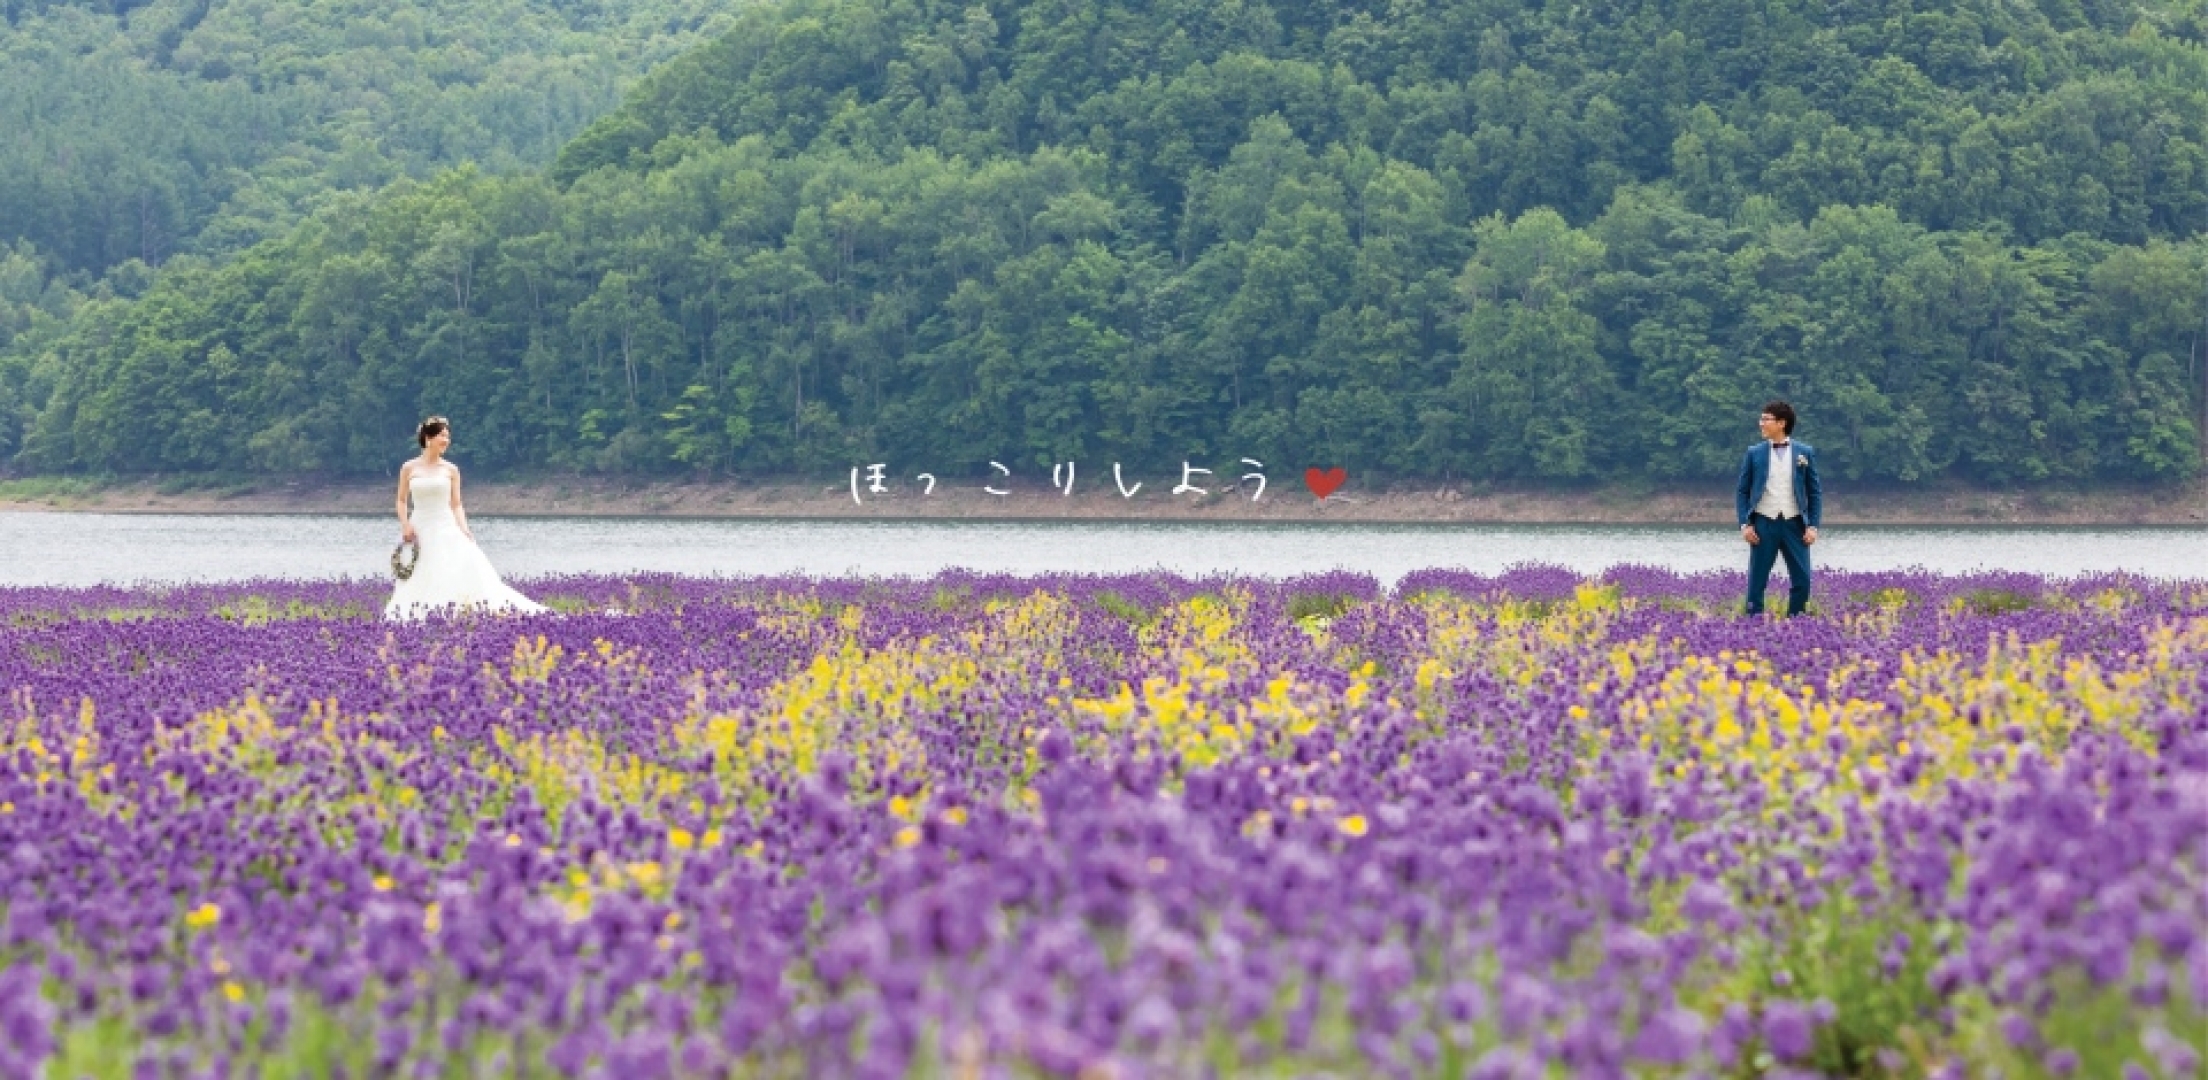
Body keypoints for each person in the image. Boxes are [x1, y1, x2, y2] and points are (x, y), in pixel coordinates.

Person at [385, 416, 547, 621]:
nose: (446, 440)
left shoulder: (451, 469)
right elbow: (401, 500)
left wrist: (463, 527)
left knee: (456, 568)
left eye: (448, 436)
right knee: (419, 573)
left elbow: (456, 504)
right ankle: (418, 615)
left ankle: (457, 613)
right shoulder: (409, 468)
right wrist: (405, 524)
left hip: (445, 525)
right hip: (419, 527)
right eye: (442, 435)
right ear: (428, 437)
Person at [1734, 400, 1822, 616]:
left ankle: (1796, 623)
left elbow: (1814, 492)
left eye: (1766, 419)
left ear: (1781, 423)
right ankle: (1753, 628)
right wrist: (1745, 524)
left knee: (1803, 581)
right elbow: (1742, 491)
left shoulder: (1805, 453)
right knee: (1757, 582)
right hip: (1763, 523)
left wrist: (1813, 526)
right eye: (1761, 419)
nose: (1761, 423)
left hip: (1795, 525)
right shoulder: (1754, 453)